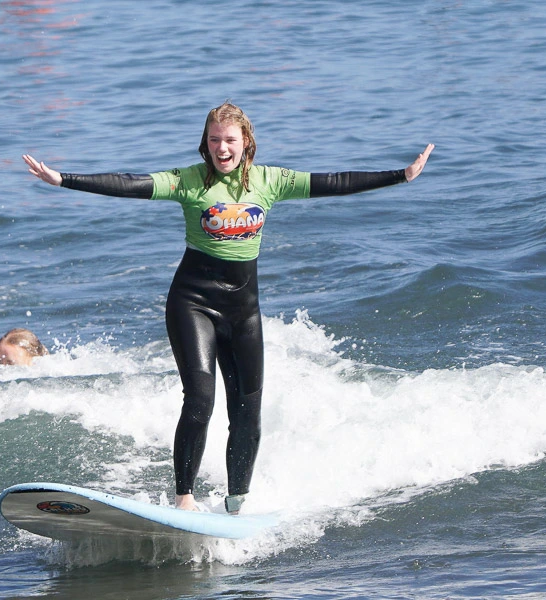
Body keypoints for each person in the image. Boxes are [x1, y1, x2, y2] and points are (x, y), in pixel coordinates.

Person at [23, 102, 433, 513]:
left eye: (230, 140)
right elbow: (130, 183)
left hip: (243, 311)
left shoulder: (271, 181)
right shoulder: (189, 181)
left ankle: (235, 504)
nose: (222, 148)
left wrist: (401, 175)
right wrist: (64, 180)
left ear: (246, 143)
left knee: (247, 411)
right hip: (193, 303)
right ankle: (184, 497)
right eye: (214, 139)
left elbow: (335, 180)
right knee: (200, 398)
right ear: (205, 142)